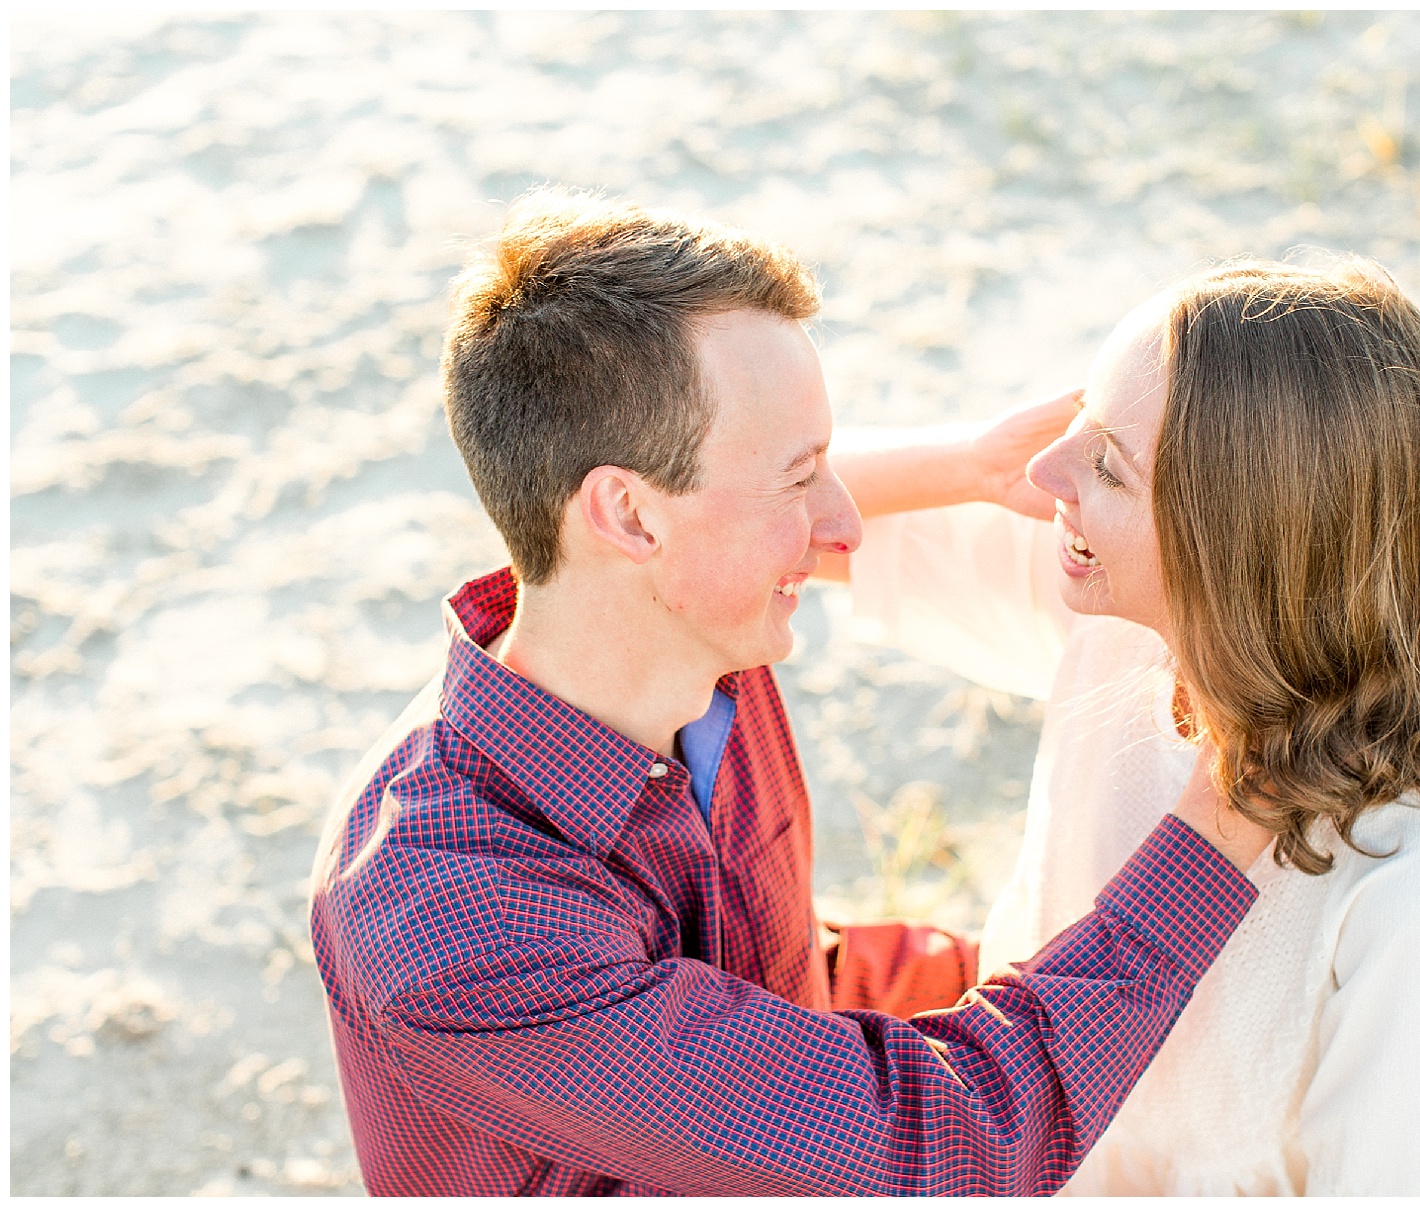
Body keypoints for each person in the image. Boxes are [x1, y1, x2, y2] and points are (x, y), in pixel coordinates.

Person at [307, 188, 1263, 1197]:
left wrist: (970, 464)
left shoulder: (696, 641)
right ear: (628, 515)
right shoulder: (456, 919)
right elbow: (942, 1143)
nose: (846, 525)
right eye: (799, 476)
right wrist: (1237, 792)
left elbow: (778, 976)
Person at [824, 257, 1420, 1195]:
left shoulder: (1414, 887)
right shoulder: (1126, 618)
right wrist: (966, 461)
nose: (1041, 472)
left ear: (1233, 548)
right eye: (1075, 427)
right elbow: (774, 518)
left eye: (1105, 465)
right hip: (1019, 1134)